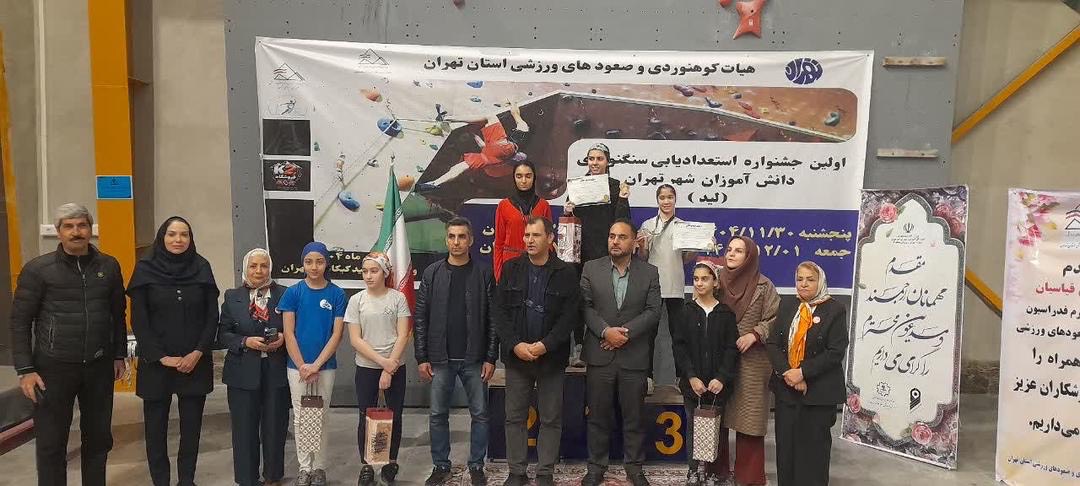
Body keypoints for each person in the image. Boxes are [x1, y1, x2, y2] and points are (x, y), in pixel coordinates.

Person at [9, 203, 127, 486]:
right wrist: (25, 369)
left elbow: (118, 314)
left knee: (98, 440)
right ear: (58, 231)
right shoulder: (38, 270)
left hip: (98, 367)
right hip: (52, 369)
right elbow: (20, 321)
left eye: (82, 225)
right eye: (69, 226)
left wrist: (118, 355)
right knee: (51, 443)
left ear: (90, 229)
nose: (76, 232)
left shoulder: (108, 266)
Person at [128, 216, 220, 486]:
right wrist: (162, 357)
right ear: (162, 237)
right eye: (172, 234)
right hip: (156, 364)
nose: (178, 240)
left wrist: (197, 352)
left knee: (191, 430)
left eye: (184, 234)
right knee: (155, 431)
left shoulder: (202, 267)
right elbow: (139, 320)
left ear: (190, 238)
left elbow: (211, 317)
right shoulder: (145, 269)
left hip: (195, 363)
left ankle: (187, 481)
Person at [493, 216, 580, 486]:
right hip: (517, 358)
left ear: (550, 238)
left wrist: (545, 345)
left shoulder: (566, 273)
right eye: (527, 235)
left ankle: (544, 473)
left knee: (551, 418)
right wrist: (515, 345)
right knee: (515, 417)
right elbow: (499, 312)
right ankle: (517, 472)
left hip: (551, 359)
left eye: (536, 235)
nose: (529, 240)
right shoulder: (511, 269)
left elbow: (569, 317)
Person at [414, 217, 498, 486]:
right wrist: (421, 357)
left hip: (475, 359)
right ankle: (441, 465)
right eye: (452, 236)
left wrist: (490, 357)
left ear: (471, 240)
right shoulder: (432, 273)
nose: (456, 242)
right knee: (438, 415)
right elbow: (420, 317)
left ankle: (476, 465)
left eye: (462, 236)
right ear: (446, 239)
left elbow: (493, 319)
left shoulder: (483, 273)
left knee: (480, 415)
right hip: (440, 359)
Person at [579, 218, 661, 486]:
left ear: (634, 242)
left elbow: (653, 311)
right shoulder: (591, 268)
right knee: (598, 416)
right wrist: (606, 332)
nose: (615, 241)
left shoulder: (650, 272)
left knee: (634, 417)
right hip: (599, 355)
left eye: (622, 237)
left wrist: (622, 334)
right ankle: (596, 467)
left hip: (633, 357)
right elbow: (585, 307)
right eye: (612, 236)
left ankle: (634, 467)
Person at [765, 262, 849, 486]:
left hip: (818, 395)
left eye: (810, 280)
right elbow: (773, 343)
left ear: (820, 282)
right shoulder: (787, 305)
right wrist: (788, 373)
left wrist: (803, 373)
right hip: (787, 392)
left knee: (813, 455)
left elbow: (835, 351)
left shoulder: (835, 310)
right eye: (799, 279)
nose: (803, 284)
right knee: (786, 451)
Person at [217, 248, 289, 486]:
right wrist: (244, 341)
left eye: (264, 266)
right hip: (241, 372)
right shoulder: (232, 296)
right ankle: (247, 478)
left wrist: (283, 338)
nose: (259, 271)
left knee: (275, 426)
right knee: (244, 429)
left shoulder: (284, 294)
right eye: (253, 266)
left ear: (271, 268)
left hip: (275, 370)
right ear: (245, 268)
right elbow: (223, 334)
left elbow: (294, 327)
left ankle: (273, 476)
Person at [279, 242, 347, 486]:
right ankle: (304, 467)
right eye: (309, 262)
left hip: (325, 367)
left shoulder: (337, 294)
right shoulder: (293, 293)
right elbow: (289, 333)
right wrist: (302, 366)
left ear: (326, 263)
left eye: (319, 261)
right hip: (296, 367)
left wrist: (316, 365)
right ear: (303, 264)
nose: (314, 267)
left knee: (321, 416)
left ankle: (319, 467)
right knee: (301, 417)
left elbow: (336, 335)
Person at [716, 236, 780, 486]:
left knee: (749, 419)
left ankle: (749, 478)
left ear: (749, 257)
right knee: (716, 416)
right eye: (729, 249)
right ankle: (717, 472)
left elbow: (775, 318)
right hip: (720, 360)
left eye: (738, 251)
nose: (731, 254)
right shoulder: (715, 281)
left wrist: (755, 334)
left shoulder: (764, 286)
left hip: (751, 361)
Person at [345, 252, 412, 486]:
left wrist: (390, 367)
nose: (368, 276)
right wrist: (382, 363)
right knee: (366, 415)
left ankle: (390, 462)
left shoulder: (397, 298)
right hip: (367, 367)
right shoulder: (356, 301)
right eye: (365, 271)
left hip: (395, 365)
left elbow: (403, 335)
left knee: (394, 415)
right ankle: (367, 465)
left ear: (385, 273)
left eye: (374, 271)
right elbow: (355, 339)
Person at [672, 262, 740, 485]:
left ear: (715, 282)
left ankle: (712, 472)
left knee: (716, 429)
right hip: (693, 385)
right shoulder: (686, 311)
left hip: (718, 385)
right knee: (693, 427)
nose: (699, 283)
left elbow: (731, 349)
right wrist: (691, 376)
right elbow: (679, 347)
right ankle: (693, 471)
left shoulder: (726, 314)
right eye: (696, 279)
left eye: (705, 278)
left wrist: (721, 378)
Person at [564, 142, 630, 366]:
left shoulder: (616, 186)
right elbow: (569, 223)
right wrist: (568, 211)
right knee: (580, 300)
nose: (594, 163)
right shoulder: (577, 186)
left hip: (606, 255)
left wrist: (622, 198)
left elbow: (623, 222)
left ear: (607, 161)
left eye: (599, 158)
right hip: (579, 255)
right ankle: (578, 347)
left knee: (606, 301)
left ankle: (605, 345)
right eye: (591, 159)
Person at [637, 184, 697, 389]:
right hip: (653, 286)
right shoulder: (647, 225)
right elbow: (643, 258)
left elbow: (686, 258)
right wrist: (642, 246)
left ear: (675, 199)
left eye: (670, 197)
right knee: (649, 334)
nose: (666, 201)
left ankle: (681, 378)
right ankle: (647, 377)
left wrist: (697, 246)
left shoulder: (683, 226)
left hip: (675, 286)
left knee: (678, 334)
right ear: (657, 200)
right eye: (662, 197)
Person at [415, 101, 530, 192]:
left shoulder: (523, 129)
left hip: (503, 147)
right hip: (491, 157)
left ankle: (447, 118)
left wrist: (512, 101)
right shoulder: (496, 161)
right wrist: (474, 135)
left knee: (490, 117)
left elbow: (515, 113)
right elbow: (485, 147)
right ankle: (435, 183)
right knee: (461, 167)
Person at [492, 160, 553, 281]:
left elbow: (548, 242)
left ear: (534, 178)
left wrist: (548, 269)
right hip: (510, 265)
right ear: (514, 178)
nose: (523, 181)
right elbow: (499, 243)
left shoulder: (543, 205)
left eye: (528, 176)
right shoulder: (503, 206)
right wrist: (498, 275)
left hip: (538, 264)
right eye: (519, 176)